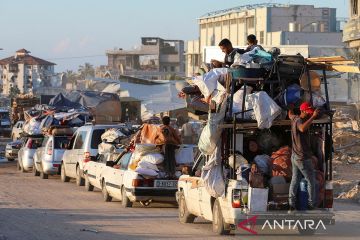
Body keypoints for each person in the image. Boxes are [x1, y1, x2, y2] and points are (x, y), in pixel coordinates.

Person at [288, 102, 320, 211]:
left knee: (295, 179)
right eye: (308, 113)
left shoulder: (294, 118)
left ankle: (291, 204)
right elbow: (302, 128)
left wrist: (291, 107)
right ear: (303, 111)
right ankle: (311, 204)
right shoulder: (300, 121)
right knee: (311, 181)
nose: (310, 114)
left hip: (295, 156)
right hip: (302, 158)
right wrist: (314, 117)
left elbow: (290, 114)